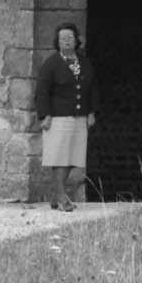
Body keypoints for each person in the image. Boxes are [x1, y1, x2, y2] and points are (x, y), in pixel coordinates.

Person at [31, 23, 98, 210]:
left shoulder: (84, 63)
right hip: (58, 118)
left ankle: (55, 195)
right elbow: (42, 92)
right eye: (63, 38)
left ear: (76, 40)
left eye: (70, 37)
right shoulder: (51, 64)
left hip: (80, 117)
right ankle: (61, 197)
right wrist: (45, 115)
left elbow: (92, 89)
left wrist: (92, 112)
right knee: (59, 158)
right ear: (57, 42)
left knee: (72, 157)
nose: (67, 41)